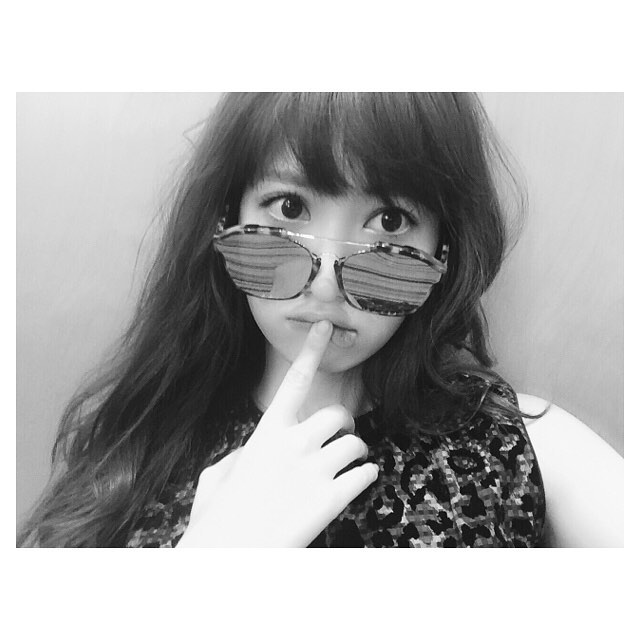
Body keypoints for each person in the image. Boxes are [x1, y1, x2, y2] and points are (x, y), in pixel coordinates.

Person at [18, 92, 545, 548]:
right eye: (289, 207)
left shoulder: (513, 443)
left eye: (390, 220)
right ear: (227, 219)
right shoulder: (134, 452)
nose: (327, 284)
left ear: (443, 251)